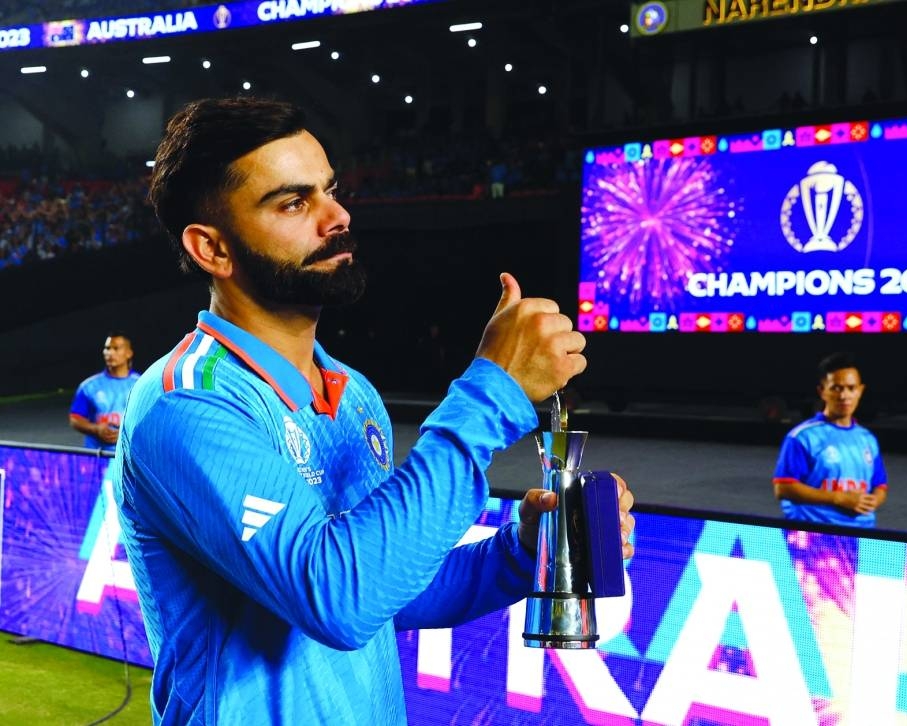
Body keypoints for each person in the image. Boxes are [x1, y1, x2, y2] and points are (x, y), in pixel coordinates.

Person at [112, 96, 636, 725]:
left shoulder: (351, 391)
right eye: (294, 203)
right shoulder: (187, 402)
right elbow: (338, 595)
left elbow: (385, 586)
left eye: (330, 191)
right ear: (212, 250)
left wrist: (521, 553)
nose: (337, 216)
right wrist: (491, 393)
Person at [772, 352, 888, 527]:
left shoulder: (867, 439)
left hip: (861, 535)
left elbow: (879, 485)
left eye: (851, 388)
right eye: (836, 388)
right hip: (814, 536)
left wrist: (874, 501)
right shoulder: (802, 437)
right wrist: (839, 498)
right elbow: (783, 488)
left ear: (860, 391)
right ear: (822, 391)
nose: (844, 396)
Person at [68, 331, 139, 451]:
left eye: (116, 348)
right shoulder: (88, 386)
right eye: (107, 348)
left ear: (129, 353)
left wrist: (127, 434)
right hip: (97, 457)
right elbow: (76, 418)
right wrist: (96, 429)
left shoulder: (140, 384)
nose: (110, 353)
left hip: (128, 457)